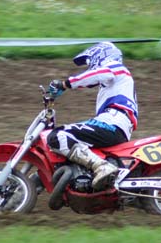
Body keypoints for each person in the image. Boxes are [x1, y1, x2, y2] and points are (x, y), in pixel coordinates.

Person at [46, 42, 138, 190]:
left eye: (90, 61)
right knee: (70, 140)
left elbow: (97, 74)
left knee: (58, 136)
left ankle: (101, 167)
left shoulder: (116, 68)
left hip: (113, 123)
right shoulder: (115, 79)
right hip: (114, 124)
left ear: (101, 55)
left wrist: (66, 84)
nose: (90, 66)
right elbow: (93, 79)